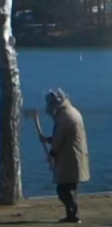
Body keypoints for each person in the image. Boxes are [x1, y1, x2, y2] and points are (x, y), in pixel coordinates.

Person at [39, 89, 90, 224]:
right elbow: (63, 136)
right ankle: (71, 215)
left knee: (63, 190)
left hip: (70, 157)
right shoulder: (69, 113)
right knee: (69, 188)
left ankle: (73, 215)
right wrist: (48, 140)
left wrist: (52, 153)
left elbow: (59, 138)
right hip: (73, 155)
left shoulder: (65, 116)